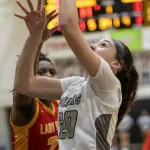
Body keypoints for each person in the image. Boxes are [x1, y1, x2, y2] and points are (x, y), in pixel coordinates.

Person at [13, 0, 139, 149]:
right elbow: (24, 85)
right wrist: (35, 36)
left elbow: (67, 24)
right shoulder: (75, 84)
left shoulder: (109, 84)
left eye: (103, 45)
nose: (93, 46)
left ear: (117, 64)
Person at [11, 8, 59, 150]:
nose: (49, 76)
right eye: (41, 72)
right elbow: (25, 82)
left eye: (52, 72)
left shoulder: (59, 104)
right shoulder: (26, 106)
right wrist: (35, 37)